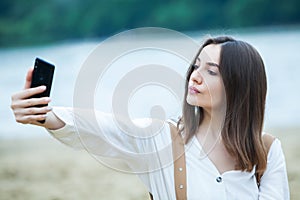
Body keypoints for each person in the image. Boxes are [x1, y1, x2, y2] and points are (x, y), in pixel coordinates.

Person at [11, 36, 290, 199]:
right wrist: (45, 116)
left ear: (240, 85)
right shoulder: (162, 139)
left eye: (211, 71)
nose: (194, 75)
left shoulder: (265, 151)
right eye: (196, 66)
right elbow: (103, 127)